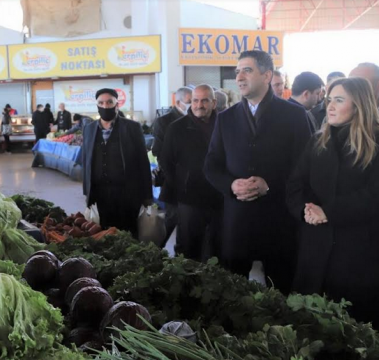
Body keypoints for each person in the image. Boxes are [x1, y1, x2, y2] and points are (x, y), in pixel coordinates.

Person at [204, 50, 311, 294]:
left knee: (281, 290)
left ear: (267, 75)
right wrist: (231, 185)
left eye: (247, 70)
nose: (239, 77)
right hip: (237, 221)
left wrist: (270, 183)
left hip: (279, 220)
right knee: (234, 293)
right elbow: (211, 165)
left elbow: (304, 165)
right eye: (237, 71)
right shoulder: (226, 118)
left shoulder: (294, 115)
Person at [287, 77, 379, 325]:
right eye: (329, 100)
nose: (330, 106)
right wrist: (306, 211)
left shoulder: (375, 144)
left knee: (353, 325)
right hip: (314, 246)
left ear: (359, 105)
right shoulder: (318, 141)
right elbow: (295, 185)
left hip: (359, 250)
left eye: (339, 100)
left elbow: (373, 195)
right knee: (311, 323)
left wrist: (328, 212)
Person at [160, 85, 222, 261]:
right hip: (189, 199)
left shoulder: (224, 125)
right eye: (195, 100)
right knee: (188, 247)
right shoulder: (176, 128)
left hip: (219, 197)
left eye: (204, 100)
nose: (199, 105)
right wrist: (181, 187)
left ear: (214, 102)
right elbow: (166, 161)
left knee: (217, 246)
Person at [81, 88, 152, 236]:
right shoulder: (89, 128)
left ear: (116, 104)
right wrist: (87, 192)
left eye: (109, 102)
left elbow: (143, 162)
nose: (105, 106)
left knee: (128, 233)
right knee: (103, 233)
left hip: (127, 194)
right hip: (100, 194)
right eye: (101, 103)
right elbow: (86, 160)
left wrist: (146, 196)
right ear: (97, 105)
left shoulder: (132, 127)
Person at [151, 86, 192, 244]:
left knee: (188, 220)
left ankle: (183, 252)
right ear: (178, 102)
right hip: (173, 179)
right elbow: (158, 151)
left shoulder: (197, 118)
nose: (193, 105)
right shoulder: (164, 121)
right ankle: (154, 251)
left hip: (194, 180)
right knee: (172, 217)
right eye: (190, 101)